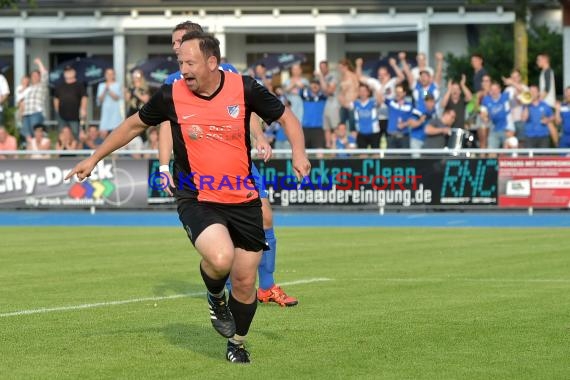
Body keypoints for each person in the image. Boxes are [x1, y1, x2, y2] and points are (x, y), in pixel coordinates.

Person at [66, 32, 310, 364]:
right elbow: (134, 126)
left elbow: (286, 117)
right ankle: (214, 297)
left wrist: (299, 153)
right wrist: (94, 158)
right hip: (198, 195)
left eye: (190, 62)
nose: (184, 69)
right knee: (221, 258)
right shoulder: (172, 94)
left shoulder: (245, 87)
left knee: (243, 279)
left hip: (243, 196)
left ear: (212, 62)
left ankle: (237, 342)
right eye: (180, 62)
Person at [161, 21, 299, 307]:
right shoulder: (174, 83)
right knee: (220, 232)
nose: (175, 47)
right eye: (174, 43)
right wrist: (164, 166)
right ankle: (223, 286)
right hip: (202, 170)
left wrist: (259, 136)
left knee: (266, 217)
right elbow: (162, 126)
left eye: (180, 41)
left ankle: (268, 287)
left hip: (239, 163)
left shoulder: (230, 74)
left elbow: (248, 109)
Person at [54, 66, 87, 140]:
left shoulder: (79, 85)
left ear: (74, 72)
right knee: (61, 135)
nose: (67, 73)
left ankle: (75, 151)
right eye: (66, 71)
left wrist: (83, 109)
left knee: (75, 135)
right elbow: (56, 98)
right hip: (62, 116)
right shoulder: (60, 85)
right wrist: (57, 111)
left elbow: (84, 97)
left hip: (75, 116)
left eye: (69, 71)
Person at [480, 81, 515, 150]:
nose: (494, 92)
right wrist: (485, 118)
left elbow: (519, 92)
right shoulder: (486, 100)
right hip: (494, 129)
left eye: (496, 89)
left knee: (509, 150)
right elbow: (483, 114)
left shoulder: (505, 96)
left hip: (507, 128)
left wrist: (512, 82)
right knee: (491, 152)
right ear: (489, 91)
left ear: (499, 90)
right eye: (492, 90)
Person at [21, 58, 48, 143]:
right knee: (27, 134)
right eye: (33, 76)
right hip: (26, 114)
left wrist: (39, 62)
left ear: (39, 77)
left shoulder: (42, 86)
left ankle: (39, 153)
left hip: (36, 112)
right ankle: (31, 153)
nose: (34, 77)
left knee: (37, 134)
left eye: (36, 75)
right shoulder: (28, 88)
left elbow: (45, 74)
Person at [315, 60, 339, 149]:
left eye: (323, 68)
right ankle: (328, 146)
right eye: (320, 68)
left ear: (327, 67)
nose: (322, 70)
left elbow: (329, 91)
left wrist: (321, 77)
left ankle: (336, 145)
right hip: (324, 104)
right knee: (326, 127)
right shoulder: (318, 78)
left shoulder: (333, 76)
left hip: (333, 103)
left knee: (335, 126)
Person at [300, 79, 327, 152]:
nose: (315, 85)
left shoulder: (322, 96)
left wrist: (320, 76)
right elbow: (300, 87)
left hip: (318, 128)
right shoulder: (304, 95)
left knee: (320, 152)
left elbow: (326, 89)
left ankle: (320, 164)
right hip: (305, 128)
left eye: (317, 84)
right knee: (304, 153)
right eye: (313, 83)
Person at [97, 68, 123, 137]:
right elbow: (100, 100)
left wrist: (109, 90)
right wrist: (105, 90)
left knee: (116, 135)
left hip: (115, 114)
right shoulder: (101, 86)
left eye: (111, 74)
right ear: (105, 75)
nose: (110, 75)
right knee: (103, 134)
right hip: (105, 113)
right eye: (108, 74)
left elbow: (117, 98)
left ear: (114, 75)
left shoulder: (118, 85)